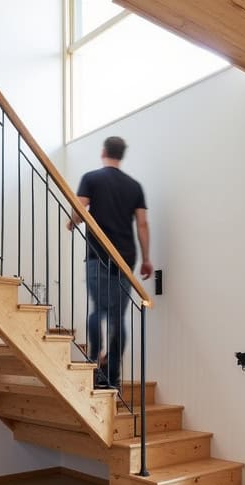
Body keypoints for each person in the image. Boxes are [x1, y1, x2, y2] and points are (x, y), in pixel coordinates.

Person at [67, 136, 152, 389]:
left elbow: (80, 208)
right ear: (121, 155)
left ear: (103, 151)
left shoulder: (91, 178)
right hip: (126, 257)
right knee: (117, 317)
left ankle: (94, 362)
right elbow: (143, 224)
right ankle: (112, 376)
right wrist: (146, 259)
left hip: (98, 254)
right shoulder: (134, 186)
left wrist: (73, 221)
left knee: (97, 311)